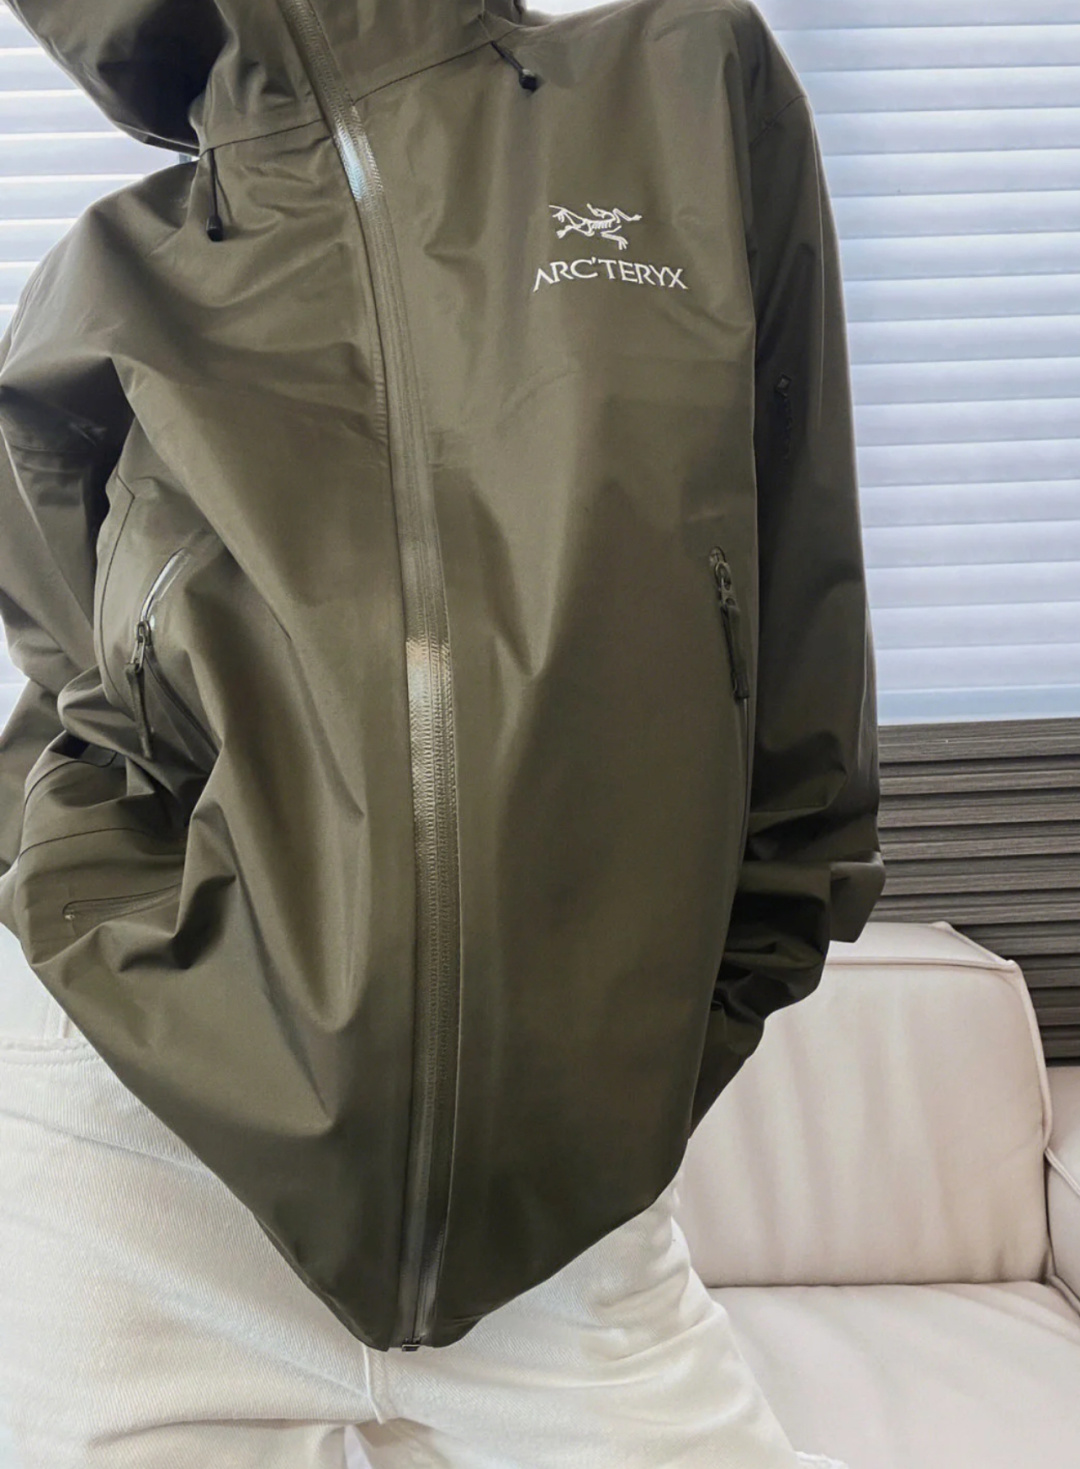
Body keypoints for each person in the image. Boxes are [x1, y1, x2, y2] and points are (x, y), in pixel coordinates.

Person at [0, 0, 882, 1463]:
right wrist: (112, 934)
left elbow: (798, 628)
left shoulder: (679, 88)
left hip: (568, 1217)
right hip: (141, 1160)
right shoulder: (107, 278)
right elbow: (77, 721)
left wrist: (664, 1047)